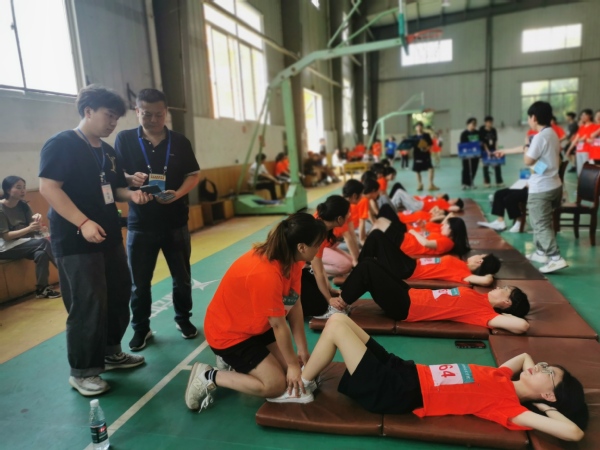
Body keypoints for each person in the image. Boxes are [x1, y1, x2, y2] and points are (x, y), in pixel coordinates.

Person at [290, 314, 588, 443]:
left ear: (550, 395)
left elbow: (573, 433)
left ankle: (301, 386)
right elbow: (524, 357)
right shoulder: (503, 376)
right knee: (339, 319)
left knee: (335, 329)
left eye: (549, 373)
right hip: (404, 369)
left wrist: (545, 406)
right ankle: (306, 380)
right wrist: (539, 375)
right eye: (545, 365)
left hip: (398, 391)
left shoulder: (509, 407)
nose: (541, 367)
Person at [39, 85, 152, 396]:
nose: (113, 123)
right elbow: (49, 187)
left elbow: (114, 189)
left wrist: (133, 195)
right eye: (108, 115)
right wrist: (83, 222)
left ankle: (111, 351)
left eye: (116, 118)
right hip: (76, 241)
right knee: (87, 303)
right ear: (88, 111)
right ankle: (83, 371)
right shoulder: (62, 144)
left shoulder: (108, 151)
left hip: (108, 236)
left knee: (118, 294)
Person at [184, 213, 327, 410]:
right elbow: (278, 325)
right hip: (229, 334)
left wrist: (302, 351)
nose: (319, 249)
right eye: (317, 245)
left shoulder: (294, 261)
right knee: (276, 385)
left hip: (257, 325)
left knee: (290, 373)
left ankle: (235, 363)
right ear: (301, 247)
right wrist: (293, 365)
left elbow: (294, 305)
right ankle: (208, 375)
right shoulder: (265, 274)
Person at [114, 88, 201, 351]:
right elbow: (118, 178)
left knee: (182, 277)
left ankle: (183, 319)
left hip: (175, 222)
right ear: (137, 111)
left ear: (166, 113)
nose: (153, 119)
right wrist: (131, 182)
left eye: (158, 114)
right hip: (140, 224)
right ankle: (141, 329)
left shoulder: (180, 141)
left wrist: (177, 194)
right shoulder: (125, 139)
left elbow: (193, 175)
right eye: (146, 114)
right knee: (139, 283)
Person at [318, 258, 530, 334]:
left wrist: (505, 314)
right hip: (410, 294)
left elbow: (522, 326)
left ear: (506, 302)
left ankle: (338, 306)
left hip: (407, 307)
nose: (499, 287)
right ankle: (344, 297)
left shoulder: (485, 312)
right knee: (372, 263)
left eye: (505, 289)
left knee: (366, 268)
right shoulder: (479, 297)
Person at [497, 101, 567, 274]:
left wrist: (527, 146)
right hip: (554, 184)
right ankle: (541, 252)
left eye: (528, 117)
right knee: (541, 221)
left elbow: (528, 160)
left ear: (533, 117)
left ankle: (555, 258)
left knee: (540, 223)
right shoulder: (552, 133)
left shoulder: (539, 137)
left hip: (542, 188)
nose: (529, 120)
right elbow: (553, 161)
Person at [0, 176, 60, 298]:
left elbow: (33, 231)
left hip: (23, 243)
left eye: (24, 187)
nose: (23, 190)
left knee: (41, 253)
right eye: (18, 187)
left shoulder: (24, 206)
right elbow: (6, 236)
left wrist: (38, 226)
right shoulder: (1, 209)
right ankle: (66, 272)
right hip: (5, 247)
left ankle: (42, 289)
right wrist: (29, 228)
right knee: (43, 243)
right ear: (7, 190)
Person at [300, 196, 353, 317]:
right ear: (339, 219)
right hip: (287, 275)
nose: (349, 215)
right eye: (347, 214)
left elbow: (320, 268)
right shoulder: (317, 233)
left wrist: (329, 290)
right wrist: (329, 299)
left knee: (322, 292)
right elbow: (318, 271)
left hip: (299, 270)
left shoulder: (323, 225)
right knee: (320, 306)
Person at [565, 109, 595, 176]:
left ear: (590, 116)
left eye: (584, 115)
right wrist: (569, 150)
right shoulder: (582, 127)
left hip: (587, 151)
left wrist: (584, 139)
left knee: (587, 170)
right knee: (579, 171)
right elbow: (576, 139)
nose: (582, 117)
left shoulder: (594, 126)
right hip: (579, 151)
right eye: (581, 115)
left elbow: (591, 139)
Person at [411, 122, 438, 191]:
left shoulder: (426, 135)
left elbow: (430, 144)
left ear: (422, 127)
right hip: (417, 155)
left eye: (420, 126)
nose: (419, 128)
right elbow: (411, 146)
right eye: (418, 126)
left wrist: (427, 148)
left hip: (426, 154)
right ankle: (420, 184)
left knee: (431, 169)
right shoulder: (413, 137)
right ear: (415, 128)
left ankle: (431, 184)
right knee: (417, 170)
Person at [480, 116, 504, 188]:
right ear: (485, 123)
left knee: (497, 165)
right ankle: (487, 182)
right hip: (485, 151)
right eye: (488, 122)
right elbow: (483, 142)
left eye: (491, 122)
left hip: (493, 150)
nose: (490, 124)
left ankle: (499, 181)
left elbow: (495, 141)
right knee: (485, 166)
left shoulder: (493, 130)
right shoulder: (482, 130)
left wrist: (497, 150)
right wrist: (487, 151)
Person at [460, 117, 481, 189]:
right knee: (466, 168)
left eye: (475, 124)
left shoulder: (477, 133)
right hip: (466, 154)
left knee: (474, 168)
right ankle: (464, 183)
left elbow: (480, 142)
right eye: (472, 123)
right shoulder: (464, 134)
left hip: (475, 154)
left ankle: (471, 183)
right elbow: (462, 144)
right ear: (468, 124)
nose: (474, 125)